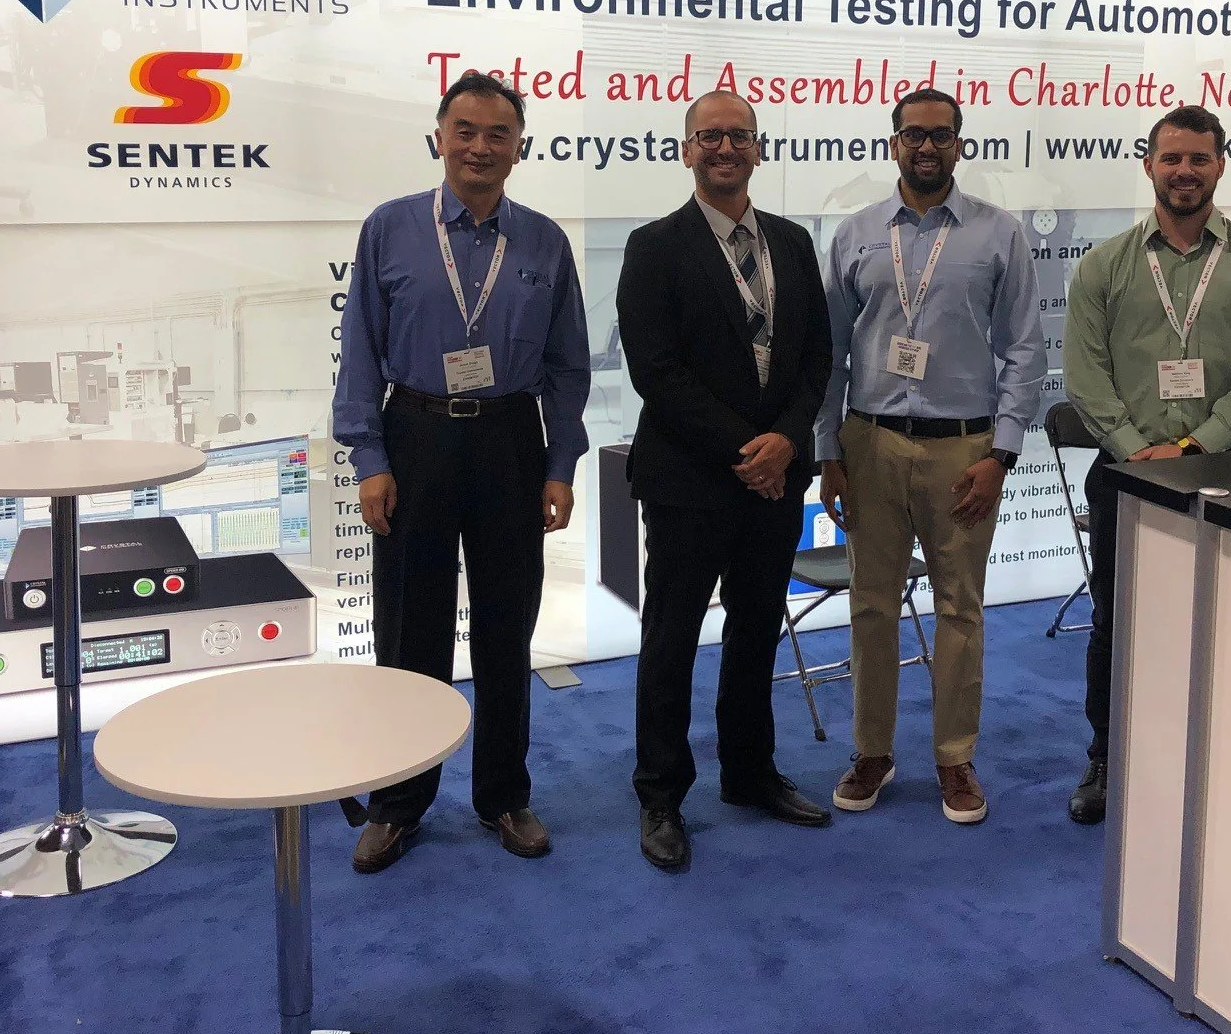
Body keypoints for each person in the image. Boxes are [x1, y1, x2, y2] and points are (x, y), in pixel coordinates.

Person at [332, 73, 591, 870]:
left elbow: (567, 366)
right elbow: (360, 352)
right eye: (466, 130)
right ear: (439, 138)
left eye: (498, 134)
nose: (481, 147)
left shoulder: (544, 241)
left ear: (520, 147)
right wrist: (369, 459)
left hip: (511, 438)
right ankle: (398, 803)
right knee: (409, 628)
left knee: (508, 626)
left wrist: (559, 463)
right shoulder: (390, 227)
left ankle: (504, 796)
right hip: (415, 433)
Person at [616, 90, 836, 871]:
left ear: (758, 149)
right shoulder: (653, 246)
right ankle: (661, 795)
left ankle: (748, 772)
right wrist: (753, 450)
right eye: (708, 135)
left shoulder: (792, 242)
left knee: (755, 630)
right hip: (690, 480)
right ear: (686, 150)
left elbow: (816, 356)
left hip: (776, 480)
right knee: (670, 639)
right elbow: (656, 372)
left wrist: (789, 440)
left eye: (738, 135)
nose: (724, 148)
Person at [1061, 104, 1231, 824]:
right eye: (1171, 158)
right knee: (1117, 620)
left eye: (1198, 158)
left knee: (1225, 621)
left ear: (1220, 164)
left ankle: (1217, 758)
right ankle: (1109, 756)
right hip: (1127, 475)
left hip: (1224, 475)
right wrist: (1140, 451)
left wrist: (1191, 450)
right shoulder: (1105, 266)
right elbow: (1086, 376)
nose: (1184, 171)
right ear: (1149, 166)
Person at [816, 90, 1044, 824]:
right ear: (893, 143)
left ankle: (954, 757)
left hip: (964, 449)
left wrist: (1002, 453)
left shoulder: (998, 233)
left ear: (959, 145)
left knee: (960, 608)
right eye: (913, 134)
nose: (926, 147)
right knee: (871, 605)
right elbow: (829, 352)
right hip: (870, 442)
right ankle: (872, 752)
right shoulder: (855, 233)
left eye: (941, 135)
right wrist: (827, 450)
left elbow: (1024, 349)